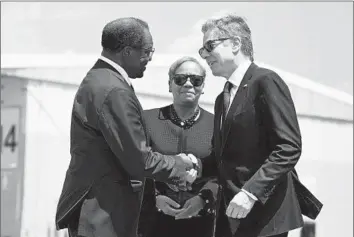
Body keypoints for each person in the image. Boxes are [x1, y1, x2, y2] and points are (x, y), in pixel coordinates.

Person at [55, 18, 199, 237]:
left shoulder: (99, 80)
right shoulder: (114, 90)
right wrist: (178, 165)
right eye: (147, 51)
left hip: (97, 212)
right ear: (128, 51)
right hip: (103, 216)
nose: (150, 58)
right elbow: (139, 158)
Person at [197, 13, 323, 237]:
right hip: (231, 219)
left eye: (209, 45)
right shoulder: (221, 100)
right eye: (202, 50)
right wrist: (194, 166)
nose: (205, 54)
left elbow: (288, 147)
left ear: (235, 43)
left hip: (263, 218)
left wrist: (250, 194)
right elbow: (223, 158)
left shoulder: (266, 81)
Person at [137, 56, 218, 237]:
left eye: (196, 80)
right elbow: (134, 165)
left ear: (203, 86)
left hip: (202, 224)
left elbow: (225, 170)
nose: (188, 84)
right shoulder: (146, 120)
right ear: (170, 84)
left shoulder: (218, 126)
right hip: (152, 223)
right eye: (180, 79)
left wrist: (204, 199)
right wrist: (154, 197)